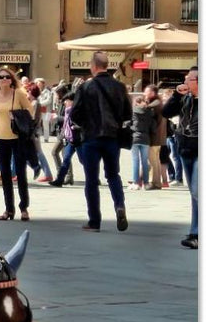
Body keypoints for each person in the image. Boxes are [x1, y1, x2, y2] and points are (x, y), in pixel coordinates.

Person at [69, 52, 131, 232]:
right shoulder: (119, 87)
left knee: (91, 180)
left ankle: (94, 221)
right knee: (113, 175)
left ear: (93, 66)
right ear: (106, 65)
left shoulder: (86, 87)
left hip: (91, 138)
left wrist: (86, 124)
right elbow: (127, 113)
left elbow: (75, 114)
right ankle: (119, 205)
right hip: (112, 137)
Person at [0, 66, 34, 221]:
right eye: (1, 77)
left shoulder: (18, 94)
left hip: (18, 138)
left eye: (7, 77)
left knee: (20, 173)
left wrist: (18, 115)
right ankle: (9, 210)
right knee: (5, 175)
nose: (4, 79)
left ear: (11, 80)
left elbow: (30, 110)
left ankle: (24, 208)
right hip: (1, 139)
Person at [162, 67, 198, 249]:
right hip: (186, 149)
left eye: (189, 79)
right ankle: (195, 231)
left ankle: (197, 233)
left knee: (199, 191)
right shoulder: (185, 98)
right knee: (194, 194)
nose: (185, 82)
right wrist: (176, 95)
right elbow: (166, 113)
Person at [48, 96, 79, 187]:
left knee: (84, 160)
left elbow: (80, 122)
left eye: (67, 100)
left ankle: (94, 178)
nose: (65, 102)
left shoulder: (75, 110)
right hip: (66, 136)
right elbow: (65, 121)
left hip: (75, 137)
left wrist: (57, 117)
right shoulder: (65, 108)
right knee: (65, 157)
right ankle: (60, 179)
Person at [142, 84, 167, 189]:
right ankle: (154, 181)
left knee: (153, 161)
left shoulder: (154, 105)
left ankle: (155, 182)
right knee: (155, 160)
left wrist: (144, 105)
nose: (144, 94)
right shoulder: (158, 103)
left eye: (146, 92)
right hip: (159, 137)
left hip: (154, 137)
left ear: (152, 93)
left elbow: (147, 118)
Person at [128, 95, 153, 190]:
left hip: (135, 138)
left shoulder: (133, 111)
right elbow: (152, 126)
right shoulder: (149, 112)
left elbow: (129, 123)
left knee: (135, 161)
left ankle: (136, 183)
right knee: (144, 161)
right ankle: (145, 183)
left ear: (136, 102)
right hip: (146, 138)